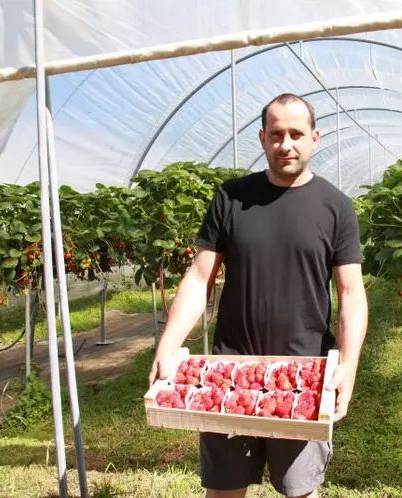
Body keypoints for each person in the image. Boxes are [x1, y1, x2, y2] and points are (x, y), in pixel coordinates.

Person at [148, 93, 369, 498]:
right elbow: (200, 277)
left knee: (300, 490)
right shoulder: (231, 198)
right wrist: (169, 342)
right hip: (231, 373)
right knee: (224, 489)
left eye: (297, 134)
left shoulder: (336, 207)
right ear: (262, 138)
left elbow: (351, 292)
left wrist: (350, 365)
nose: (287, 144)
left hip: (305, 374)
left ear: (315, 138)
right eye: (277, 134)